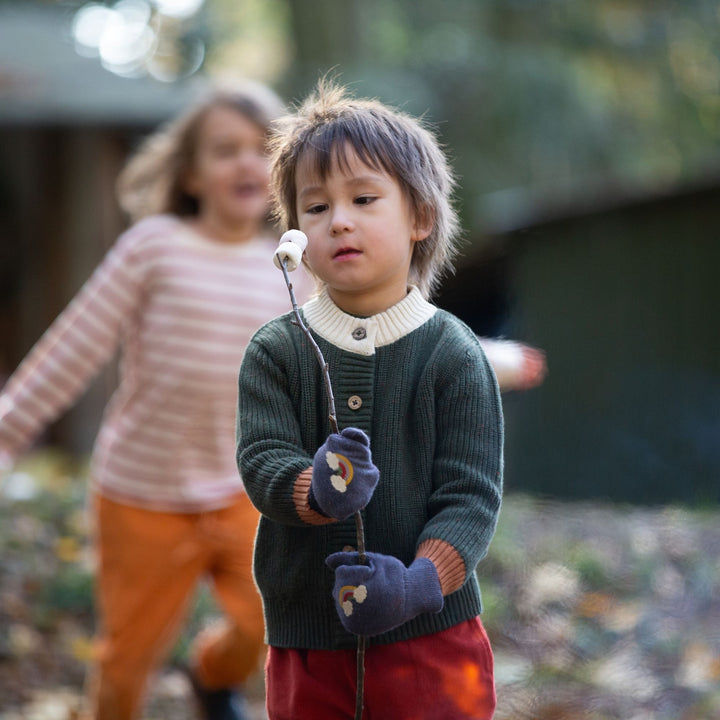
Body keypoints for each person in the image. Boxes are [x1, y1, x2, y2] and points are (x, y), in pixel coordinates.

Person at [0, 78, 314, 720]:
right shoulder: (154, 247)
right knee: (127, 660)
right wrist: (8, 430)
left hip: (244, 489)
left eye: (263, 149)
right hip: (140, 495)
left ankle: (209, 675)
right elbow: (75, 345)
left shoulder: (296, 267)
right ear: (192, 175)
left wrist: (471, 355)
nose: (247, 162)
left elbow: (372, 336)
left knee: (270, 623)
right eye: (225, 150)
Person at [236, 79, 504, 720]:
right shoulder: (278, 350)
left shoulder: (454, 355)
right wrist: (315, 489)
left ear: (420, 218)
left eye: (363, 198)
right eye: (316, 207)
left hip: (431, 638)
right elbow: (262, 460)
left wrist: (418, 585)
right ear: (294, 232)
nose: (340, 220)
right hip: (308, 639)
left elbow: (469, 500)